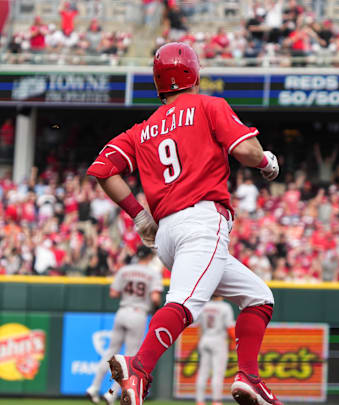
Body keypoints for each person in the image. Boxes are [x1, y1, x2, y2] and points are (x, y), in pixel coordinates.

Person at [86, 42, 281, 405]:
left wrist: (139, 215)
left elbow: (101, 170)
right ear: (194, 73)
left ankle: (249, 377)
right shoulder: (209, 105)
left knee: (259, 297)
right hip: (201, 222)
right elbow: (246, 151)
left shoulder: (141, 130)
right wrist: (268, 162)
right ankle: (138, 368)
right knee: (185, 304)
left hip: (168, 235)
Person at [86, 246, 163, 405]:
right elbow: (155, 298)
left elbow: (113, 293)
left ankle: (93, 387)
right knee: (130, 358)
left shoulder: (125, 270)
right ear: (149, 257)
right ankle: (111, 394)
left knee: (110, 353)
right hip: (138, 313)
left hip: (122, 311)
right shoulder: (153, 273)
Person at [195, 297, 235, 405]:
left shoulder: (204, 305)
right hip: (218, 341)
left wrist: (200, 341)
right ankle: (216, 401)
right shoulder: (225, 307)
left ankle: (200, 401)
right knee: (218, 373)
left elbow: (199, 327)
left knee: (203, 372)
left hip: (205, 338)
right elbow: (230, 328)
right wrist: (234, 342)